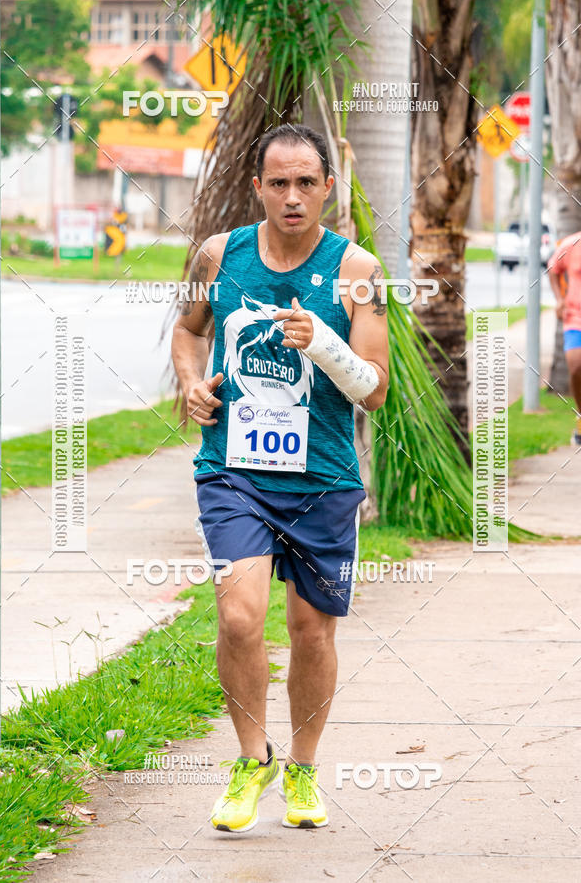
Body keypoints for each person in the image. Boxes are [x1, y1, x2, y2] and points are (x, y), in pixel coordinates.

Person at [171, 123, 389, 833]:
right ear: (257, 186)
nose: (292, 196)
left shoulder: (357, 270)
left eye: (305, 183)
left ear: (328, 187)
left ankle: (302, 768)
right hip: (232, 469)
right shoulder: (219, 254)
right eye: (278, 183)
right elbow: (189, 330)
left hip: (322, 476)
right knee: (239, 616)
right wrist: (190, 383)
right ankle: (250, 759)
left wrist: (323, 343)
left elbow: (375, 389)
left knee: (310, 633)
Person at [548, 233, 581, 445]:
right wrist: (559, 300)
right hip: (576, 318)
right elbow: (553, 268)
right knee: (576, 365)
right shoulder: (572, 244)